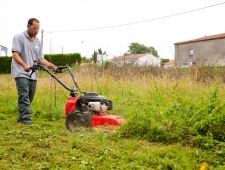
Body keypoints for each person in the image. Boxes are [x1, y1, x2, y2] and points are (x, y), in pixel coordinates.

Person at [11, 18, 58, 125]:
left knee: (30, 96)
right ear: (28, 26)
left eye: (38, 29)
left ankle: (22, 115)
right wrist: (23, 65)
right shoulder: (19, 37)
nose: (36, 31)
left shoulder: (37, 42)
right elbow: (15, 54)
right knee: (24, 95)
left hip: (33, 74)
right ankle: (26, 118)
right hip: (20, 72)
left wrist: (53, 66)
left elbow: (40, 59)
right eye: (34, 28)